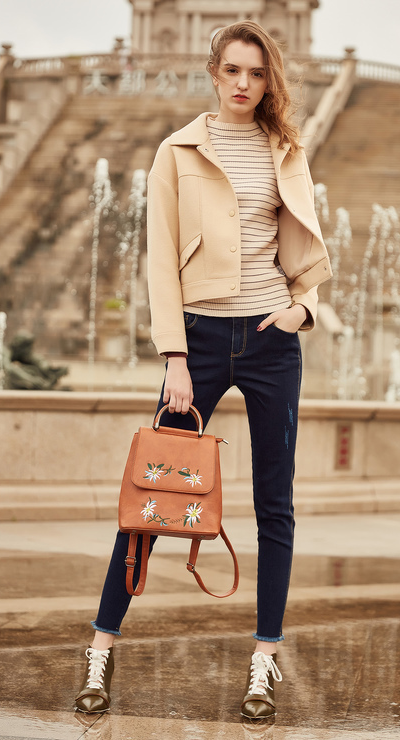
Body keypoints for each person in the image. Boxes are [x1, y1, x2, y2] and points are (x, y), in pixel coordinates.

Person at [74, 20, 331, 719]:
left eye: (257, 72)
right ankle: (100, 647)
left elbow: (308, 252)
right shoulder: (177, 151)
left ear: (269, 80)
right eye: (233, 71)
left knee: (275, 506)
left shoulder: (287, 151)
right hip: (200, 340)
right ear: (213, 74)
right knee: (151, 497)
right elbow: (160, 259)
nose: (244, 83)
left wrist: (302, 312)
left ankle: (264, 661)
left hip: (272, 338)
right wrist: (175, 357)